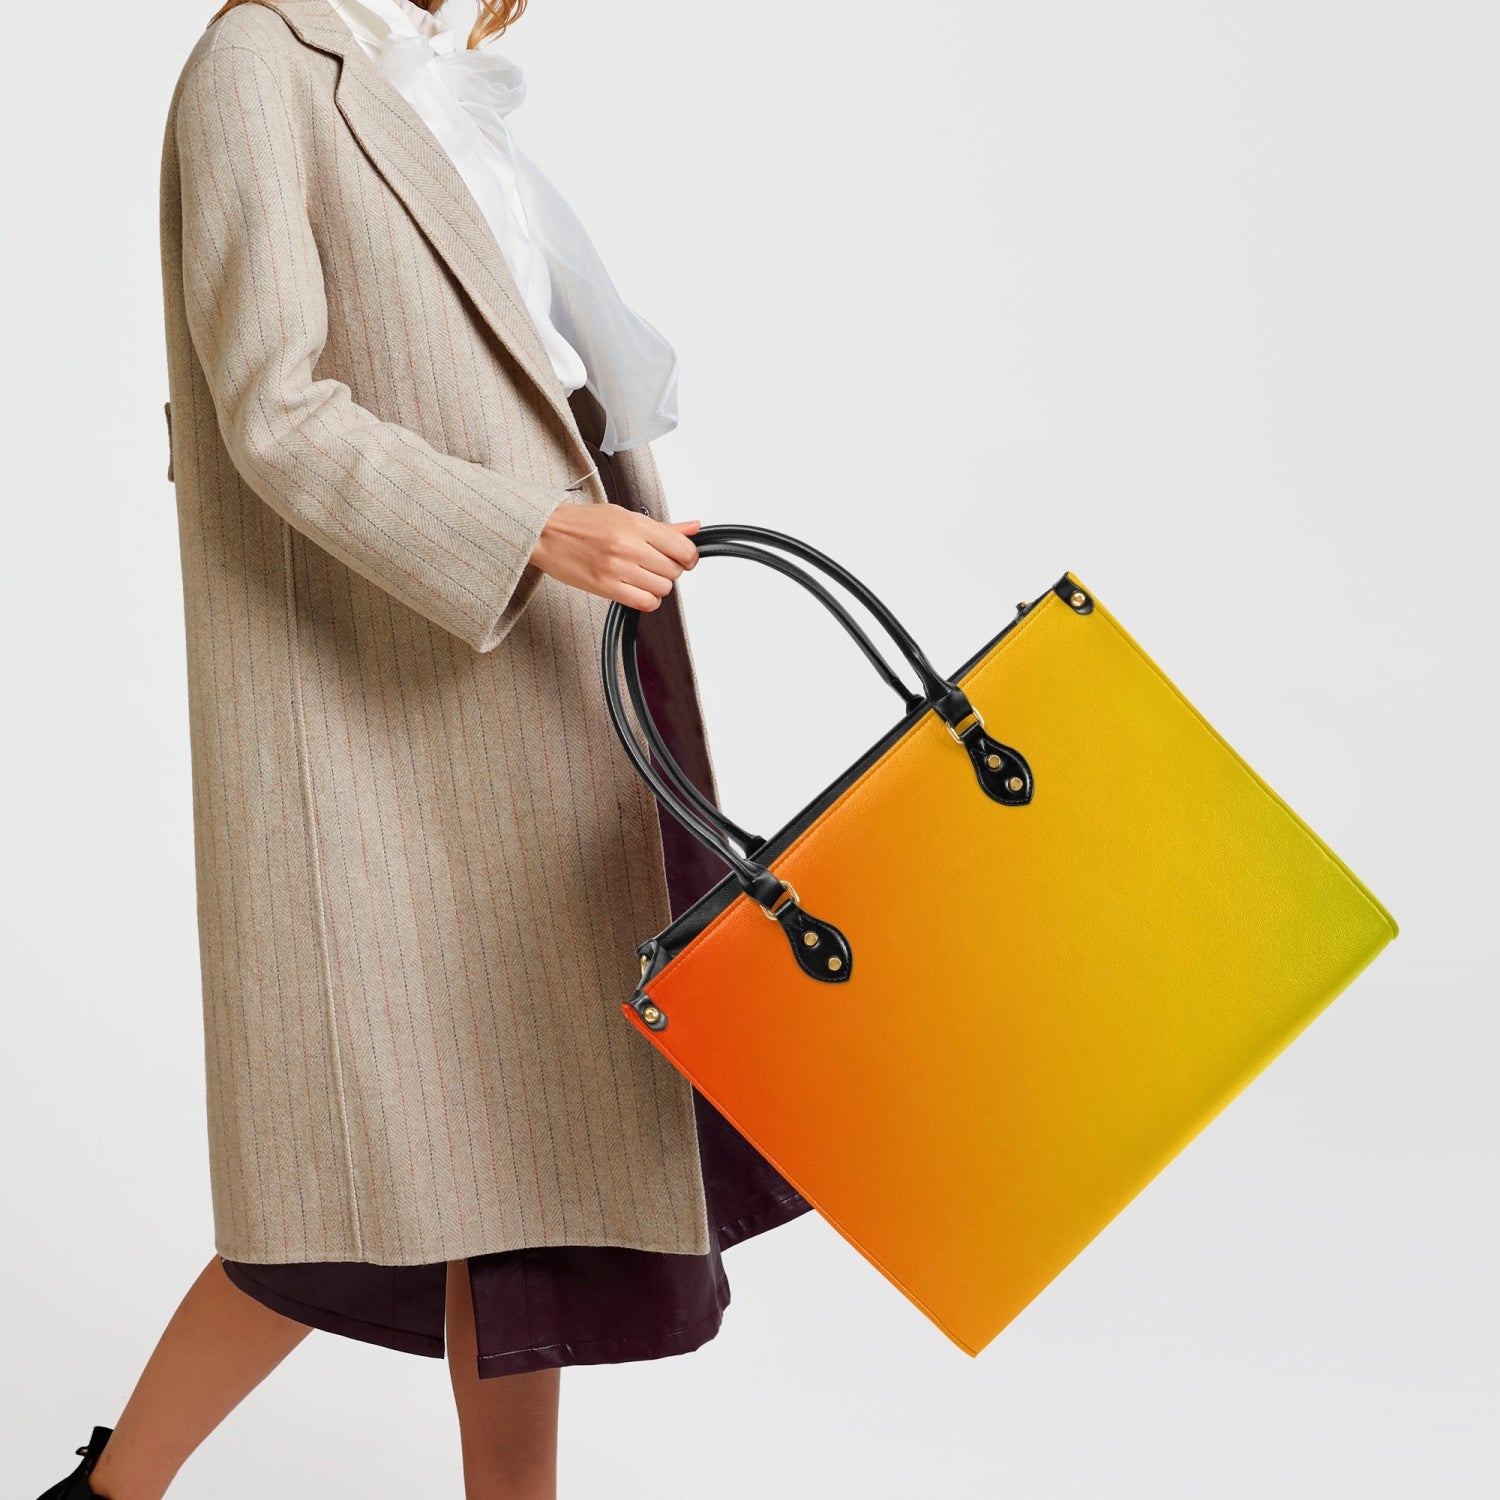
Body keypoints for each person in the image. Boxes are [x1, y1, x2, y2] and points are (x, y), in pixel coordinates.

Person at [37, 1, 811, 1495]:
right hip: (397, 709)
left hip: (549, 681)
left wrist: (605, 518)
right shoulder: (261, 64)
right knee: (368, 1177)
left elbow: (525, 377)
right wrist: (530, 527)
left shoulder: (435, 78)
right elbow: (271, 407)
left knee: (519, 1169)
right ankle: (114, 1492)